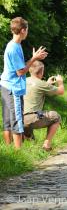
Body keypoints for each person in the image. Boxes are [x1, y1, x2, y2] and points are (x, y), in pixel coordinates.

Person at [1, 17, 47, 149]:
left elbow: (19, 67)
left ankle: (10, 149)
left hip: (6, 85)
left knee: (8, 121)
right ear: (22, 30)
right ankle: (18, 153)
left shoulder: (15, 45)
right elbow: (20, 72)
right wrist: (34, 59)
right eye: (27, 30)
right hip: (13, 88)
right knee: (17, 120)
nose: (27, 32)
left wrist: (33, 58)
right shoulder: (14, 48)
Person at [23, 61, 64, 151]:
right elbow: (61, 91)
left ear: (29, 70)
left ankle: (29, 144)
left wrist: (47, 83)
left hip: (19, 119)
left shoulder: (23, 81)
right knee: (56, 117)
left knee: (30, 139)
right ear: (41, 72)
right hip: (33, 118)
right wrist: (60, 82)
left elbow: (35, 88)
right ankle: (47, 144)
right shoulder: (41, 83)